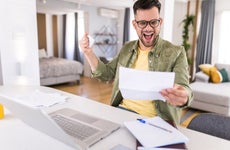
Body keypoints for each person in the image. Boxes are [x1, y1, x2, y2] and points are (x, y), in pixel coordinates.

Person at [80, 0, 193, 124]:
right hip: (121, 112)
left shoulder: (176, 52)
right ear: (135, 25)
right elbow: (106, 74)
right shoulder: (127, 48)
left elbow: (184, 87)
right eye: (143, 23)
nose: (148, 28)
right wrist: (88, 53)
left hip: (155, 121)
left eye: (153, 22)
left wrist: (183, 95)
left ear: (160, 22)